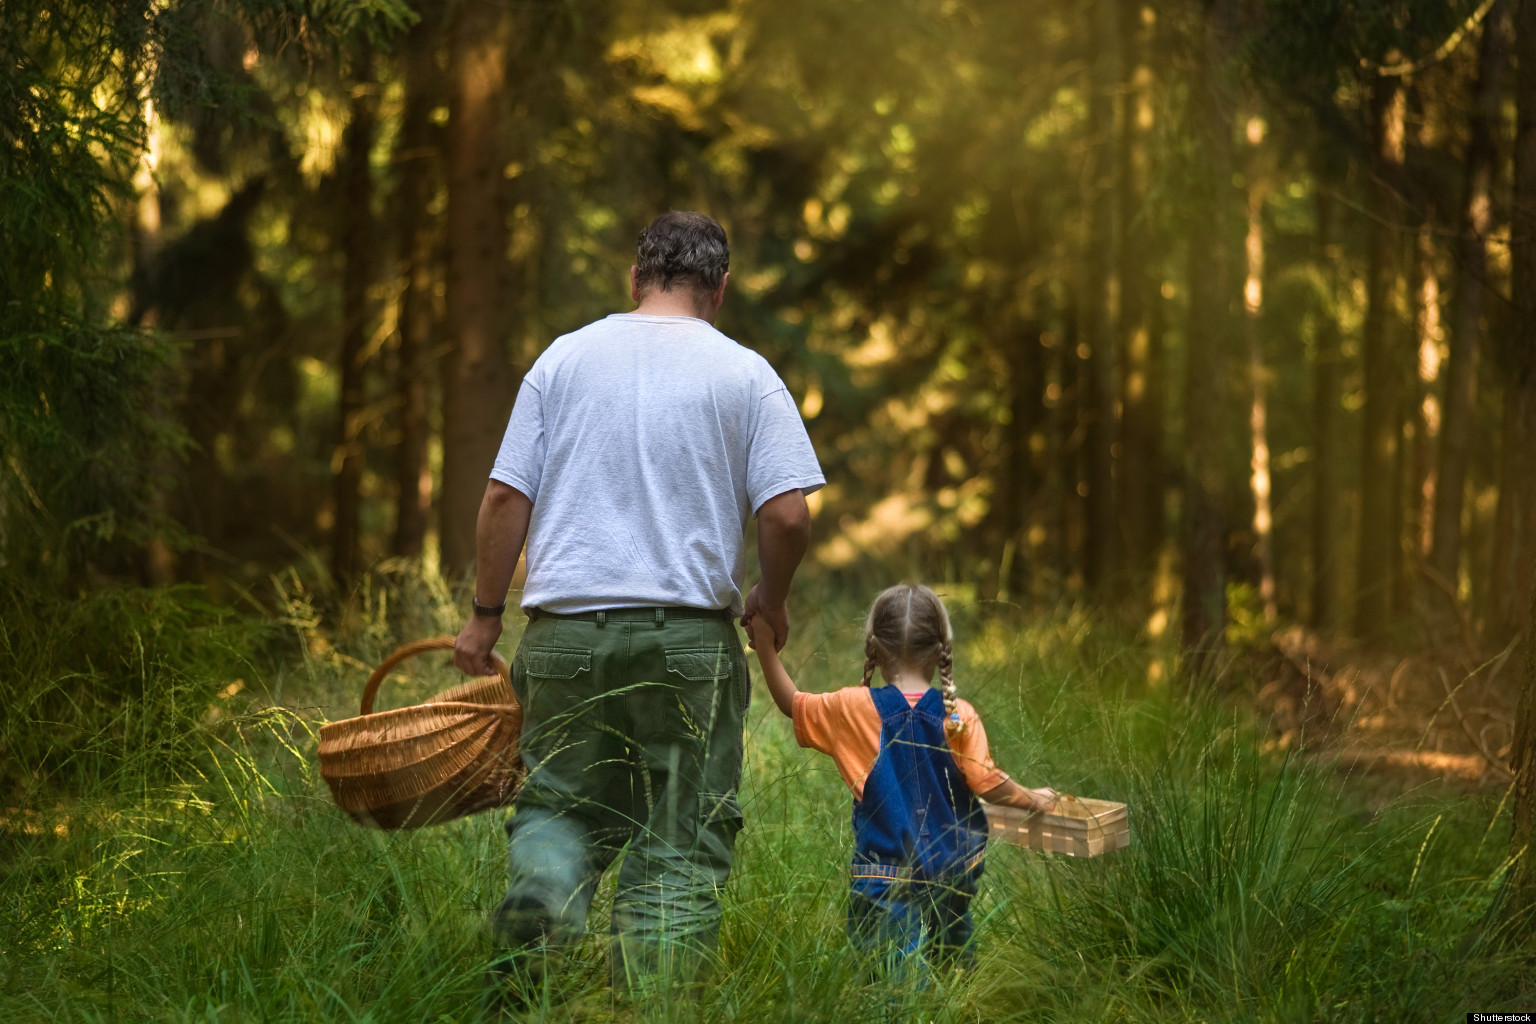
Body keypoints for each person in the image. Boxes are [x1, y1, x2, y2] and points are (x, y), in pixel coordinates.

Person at [452, 211, 824, 1002]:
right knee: (680, 839)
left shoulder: (562, 360)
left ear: (635, 279)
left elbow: (502, 496)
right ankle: (647, 1009)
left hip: (562, 638)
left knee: (557, 804)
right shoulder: (746, 374)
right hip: (689, 643)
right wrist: (770, 596)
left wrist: (487, 614)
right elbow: (788, 516)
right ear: (718, 291)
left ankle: (545, 896)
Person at [746, 583, 1056, 983]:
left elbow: (793, 704)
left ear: (874, 646)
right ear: (940, 647)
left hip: (885, 876)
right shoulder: (958, 714)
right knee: (955, 972)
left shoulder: (853, 707)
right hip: (954, 868)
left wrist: (767, 647)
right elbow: (987, 781)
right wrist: (1034, 799)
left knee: (894, 987)